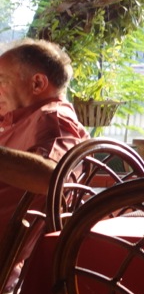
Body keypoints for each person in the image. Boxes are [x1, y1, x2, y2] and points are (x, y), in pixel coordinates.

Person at [0, 39, 89, 280]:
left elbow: (52, 177)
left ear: (37, 83)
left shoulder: (52, 118)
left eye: (2, 80)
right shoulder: (19, 120)